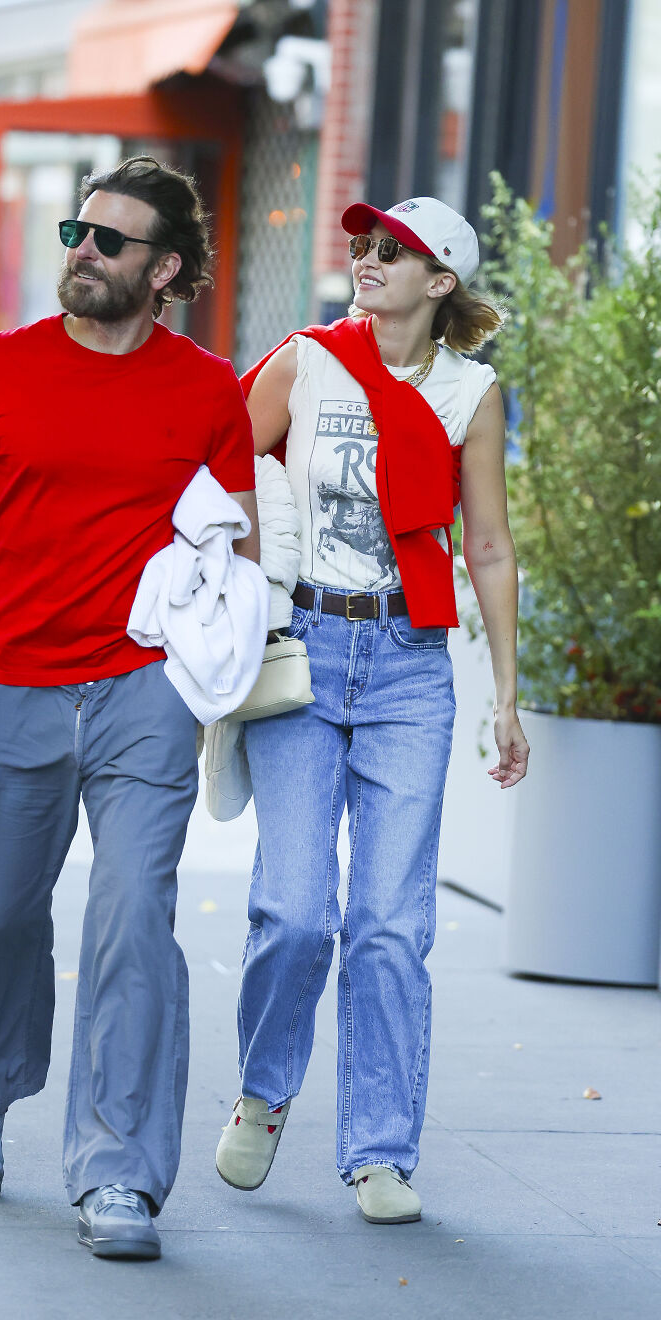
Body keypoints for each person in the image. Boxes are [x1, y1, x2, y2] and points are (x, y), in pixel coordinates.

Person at [0, 156, 258, 1261]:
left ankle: (120, 1174)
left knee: (133, 921)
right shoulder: (1, 365)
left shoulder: (205, 389)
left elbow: (234, 547)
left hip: (145, 689)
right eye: (75, 233)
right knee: (0, 916)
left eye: (108, 241)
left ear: (166, 270)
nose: (80, 253)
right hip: (11, 681)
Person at [215, 197, 530, 1225]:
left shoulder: (468, 392)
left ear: (440, 282)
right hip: (301, 650)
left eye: (392, 251)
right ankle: (265, 1092)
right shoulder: (305, 362)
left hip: (408, 665)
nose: (367, 259)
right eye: (361, 245)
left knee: (391, 925)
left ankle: (381, 1152)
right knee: (295, 911)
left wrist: (508, 699)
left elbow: (485, 544)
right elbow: (215, 472)